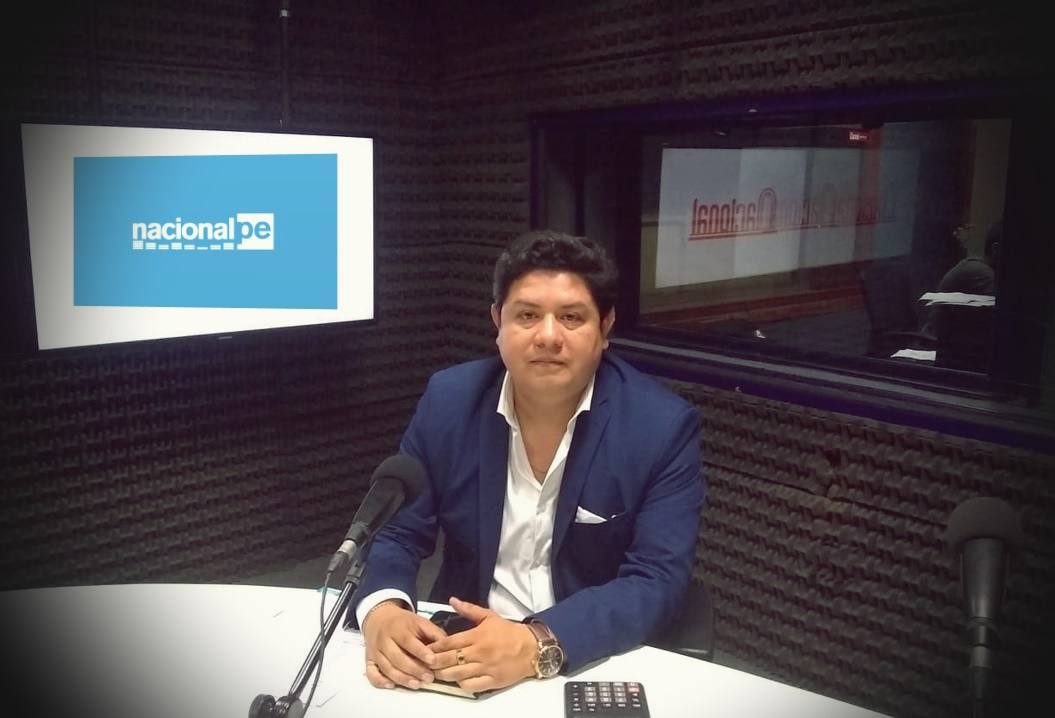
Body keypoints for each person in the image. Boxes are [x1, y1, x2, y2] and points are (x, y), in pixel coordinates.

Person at [348, 229, 704, 695]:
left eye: (571, 317)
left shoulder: (660, 427)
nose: (548, 336)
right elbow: (398, 530)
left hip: (583, 659)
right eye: (527, 315)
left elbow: (657, 579)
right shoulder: (449, 400)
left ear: (605, 328)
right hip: (461, 652)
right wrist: (383, 609)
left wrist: (538, 641)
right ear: (498, 322)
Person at [924, 219, 1000, 371]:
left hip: (953, 356)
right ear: (996, 249)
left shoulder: (975, 267)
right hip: (947, 359)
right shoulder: (979, 273)